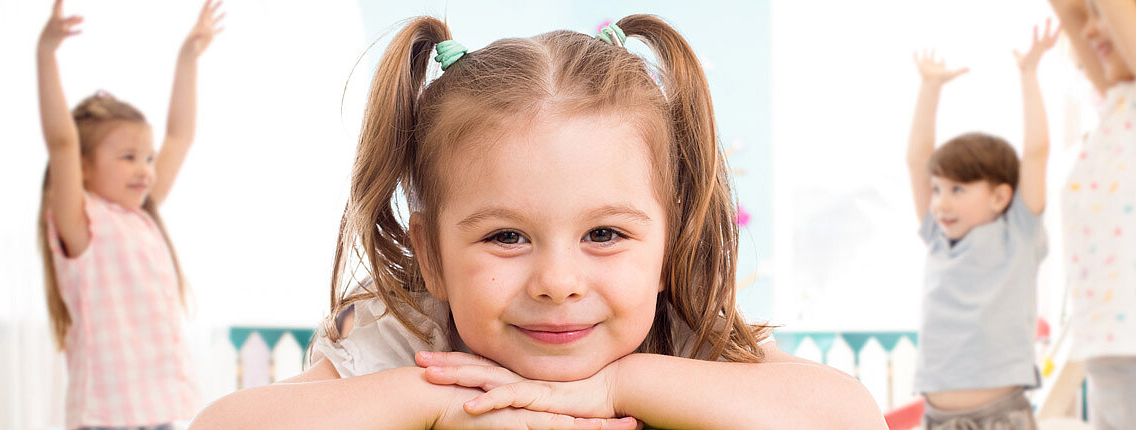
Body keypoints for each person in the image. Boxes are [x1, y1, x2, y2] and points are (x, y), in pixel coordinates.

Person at [190, 15, 885, 429]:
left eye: (604, 234)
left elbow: (851, 418)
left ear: (668, 241)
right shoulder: (410, 340)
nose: (557, 281)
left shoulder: (680, 336)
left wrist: (618, 386)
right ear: (430, 254)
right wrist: (433, 401)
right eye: (506, 236)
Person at [35, 0, 223, 427]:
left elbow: (180, 134)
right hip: (106, 416)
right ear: (83, 166)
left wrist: (187, 58)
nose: (145, 169)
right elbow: (62, 141)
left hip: (161, 410)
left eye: (148, 157)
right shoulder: (81, 225)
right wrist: (46, 55)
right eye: (127, 157)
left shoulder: (141, 214)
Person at [905, 21, 1058, 430]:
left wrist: (1029, 74)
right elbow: (918, 159)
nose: (940, 203)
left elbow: (1037, 153)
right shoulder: (938, 238)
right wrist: (930, 88)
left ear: (1000, 196)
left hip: (1000, 416)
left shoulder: (1018, 234)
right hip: (938, 418)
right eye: (936, 190)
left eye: (958, 189)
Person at [1046, 1, 1136, 428]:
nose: (1092, 28)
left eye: (1103, 11)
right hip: (1108, 349)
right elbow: (1070, 13)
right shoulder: (1120, 103)